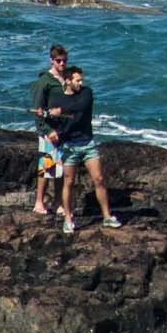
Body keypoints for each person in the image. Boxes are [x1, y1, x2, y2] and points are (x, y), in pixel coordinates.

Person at [49, 62, 119, 232]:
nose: (81, 83)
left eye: (81, 80)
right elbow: (51, 120)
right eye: (77, 80)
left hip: (87, 144)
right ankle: (68, 218)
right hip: (68, 146)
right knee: (69, 182)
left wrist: (60, 110)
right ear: (67, 81)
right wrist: (50, 126)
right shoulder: (57, 99)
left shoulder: (87, 93)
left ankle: (107, 217)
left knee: (99, 179)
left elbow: (80, 107)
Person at [29, 44, 69, 215]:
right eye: (58, 61)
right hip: (49, 131)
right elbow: (38, 110)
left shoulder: (66, 79)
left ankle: (59, 202)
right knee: (47, 167)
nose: (62, 64)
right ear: (52, 60)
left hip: (64, 130)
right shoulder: (45, 81)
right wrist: (46, 131)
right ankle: (39, 202)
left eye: (64, 61)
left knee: (61, 168)